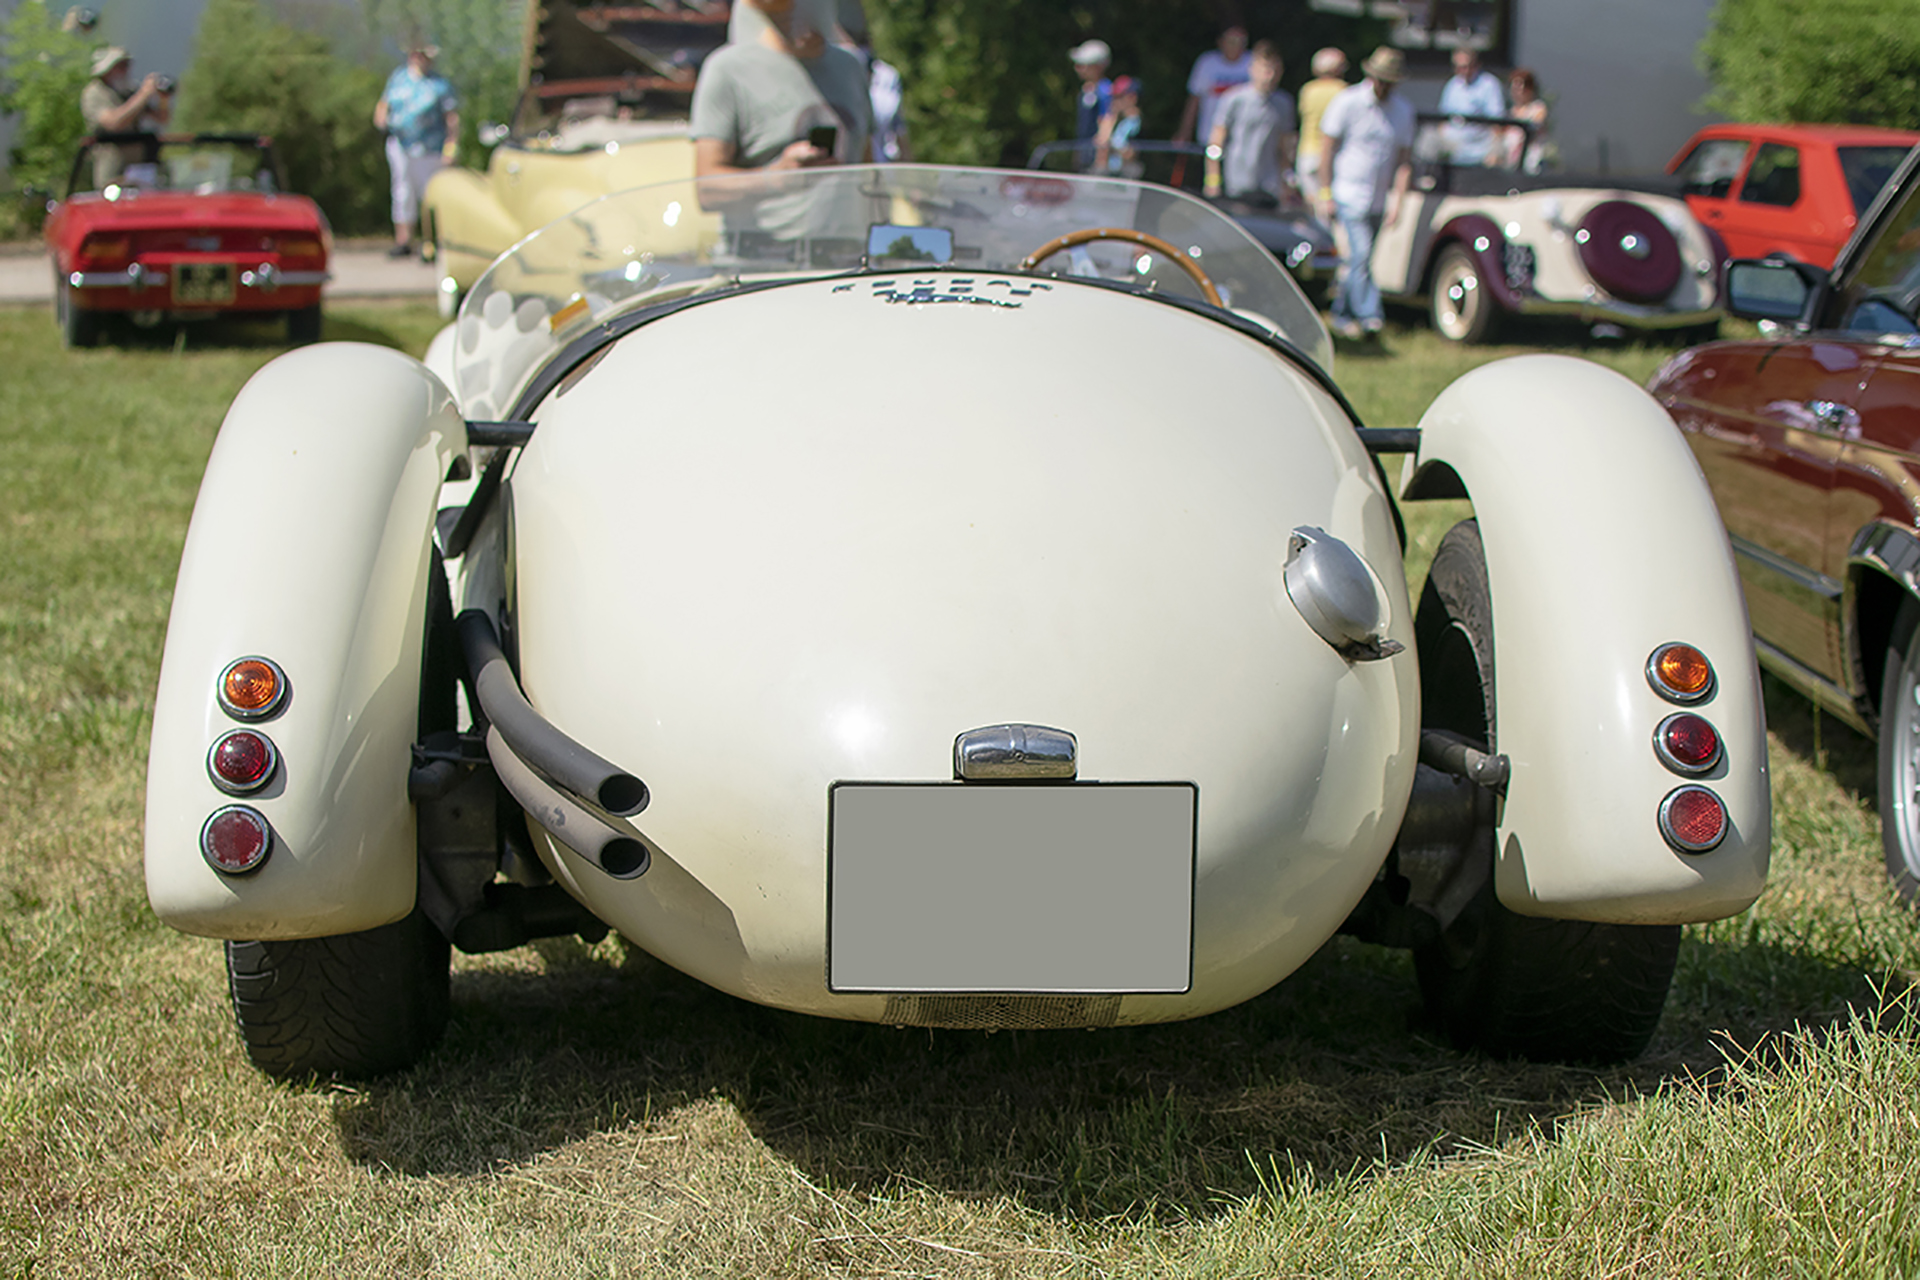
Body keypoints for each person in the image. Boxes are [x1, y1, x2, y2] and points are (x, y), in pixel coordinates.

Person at [1315, 45, 1415, 340]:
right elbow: (1327, 148)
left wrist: (1398, 200)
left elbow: (1404, 160)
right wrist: (1325, 191)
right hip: (1348, 191)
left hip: (1379, 197)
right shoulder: (1348, 102)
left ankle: (1341, 312)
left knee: (1360, 260)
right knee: (1360, 253)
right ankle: (1371, 317)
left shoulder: (1402, 110)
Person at [374, 44, 459, 259]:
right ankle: (403, 241)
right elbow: (384, 104)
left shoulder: (439, 85)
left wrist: (451, 146)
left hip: (430, 148)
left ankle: (431, 243)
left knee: (429, 195)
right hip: (400, 145)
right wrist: (381, 121)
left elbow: (451, 118)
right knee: (402, 191)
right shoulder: (399, 78)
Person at [1204, 41, 1295, 205]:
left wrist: (1286, 182)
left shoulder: (1283, 103)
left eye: (1275, 69)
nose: (1271, 75)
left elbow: (1284, 147)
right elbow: (1216, 141)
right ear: (1252, 69)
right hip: (1237, 182)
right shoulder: (1234, 99)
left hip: (1269, 184)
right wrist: (1212, 179)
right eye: (1265, 69)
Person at [80, 47, 171, 188]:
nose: (125, 70)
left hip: (139, 168)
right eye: (120, 65)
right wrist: (143, 95)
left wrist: (163, 99)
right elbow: (114, 122)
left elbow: (161, 119)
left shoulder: (129, 91)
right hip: (112, 167)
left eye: (127, 65)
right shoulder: (94, 93)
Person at [1174, 25, 1250, 150]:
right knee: (1212, 170)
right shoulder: (1207, 63)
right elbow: (1195, 98)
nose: (1236, 46)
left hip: (1244, 140)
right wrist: (1185, 131)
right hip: (1210, 136)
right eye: (1232, 41)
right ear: (1221, 42)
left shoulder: (1252, 62)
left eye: (1241, 42)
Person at [1295, 48, 1348, 205]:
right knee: (1329, 206)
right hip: (1332, 156)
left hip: (1306, 153)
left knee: (1312, 207)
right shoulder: (1343, 91)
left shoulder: (1307, 90)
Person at [1436, 47, 1504, 165]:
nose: (1464, 71)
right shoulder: (1452, 85)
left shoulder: (1489, 84)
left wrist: (1494, 150)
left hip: (1481, 142)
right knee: (1428, 141)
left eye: (1467, 66)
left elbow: (1497, 121)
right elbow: (1442, 118)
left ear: (1477, 65)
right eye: (1459, 67)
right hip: (1454, 142)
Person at [1069, 39, 1112, 171]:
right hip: (1084, 154)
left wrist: (1101, 157)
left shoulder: (1105, 90)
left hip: (1097, 157)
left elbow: (1107, 120)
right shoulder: (1085, 90)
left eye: (1084, 64)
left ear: (1099, 66)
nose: (1078, 68)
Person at [1505, 67, 1553, 173]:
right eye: (1514, 88)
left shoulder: (1538, 108)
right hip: (1511, 158)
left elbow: (1535, 127)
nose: (1517, 92)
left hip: (1531, 159)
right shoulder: (1511, 111)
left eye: (1521, 88)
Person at [1093, 75, 1143, 178]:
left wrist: (1110, 146)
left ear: (1132, 98)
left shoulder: (1136, 124)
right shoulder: (1115, 121)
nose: (1113, 101)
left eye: (1119, 96)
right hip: (1111, 173)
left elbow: (1131, 155)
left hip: (1127, 176)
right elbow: (1100, 148)